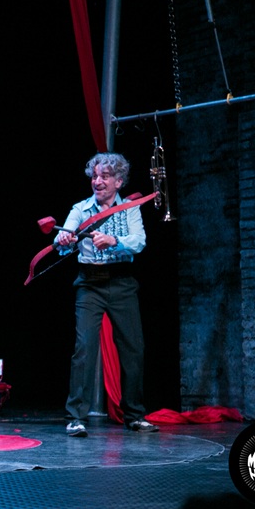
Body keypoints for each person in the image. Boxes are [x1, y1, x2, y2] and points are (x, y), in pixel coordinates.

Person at [55, 152, 158, 437]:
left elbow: (139, 241)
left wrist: (114, 240)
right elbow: (62, 240)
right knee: (84, 348)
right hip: (90, 283)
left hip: (122, 282)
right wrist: (64, 239)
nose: (97, 181)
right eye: (95, 176)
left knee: (133, 349)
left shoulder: (129, 209)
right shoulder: (81, 209)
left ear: (118, 181)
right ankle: (76, 417)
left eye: (105, 176)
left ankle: (135, 415)